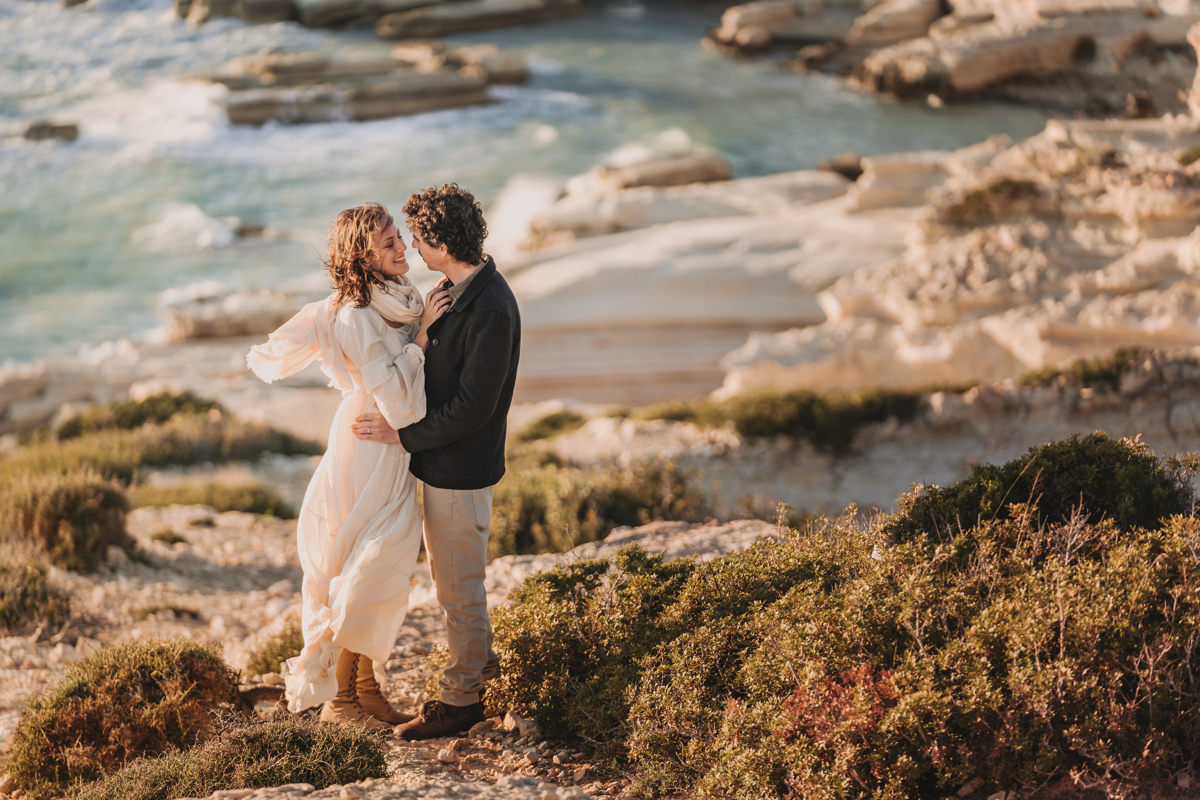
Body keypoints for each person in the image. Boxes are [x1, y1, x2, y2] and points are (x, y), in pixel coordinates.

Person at [247, 202, 452, 731]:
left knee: (383, 567)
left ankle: (365, 690)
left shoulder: (397, 299)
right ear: (363, 256)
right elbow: (401, 403)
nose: (402, 247)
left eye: (399, 239)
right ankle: (340, 700)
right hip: (372, 442)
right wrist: (425, 337)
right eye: (389, 244)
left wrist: (419, 322)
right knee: (366, 566)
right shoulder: (358, 315)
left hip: (393, 446)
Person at [351, 184, 521, 740]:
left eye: (420, 239)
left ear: (445, 242)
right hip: (444, 466)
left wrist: (404, 437)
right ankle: (485, 677)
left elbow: (474, 408)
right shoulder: (452, 288)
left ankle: (461, 701)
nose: (414, 249)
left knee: (458, 589)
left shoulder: (491, 308)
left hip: (462, 470)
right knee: (457, 584)